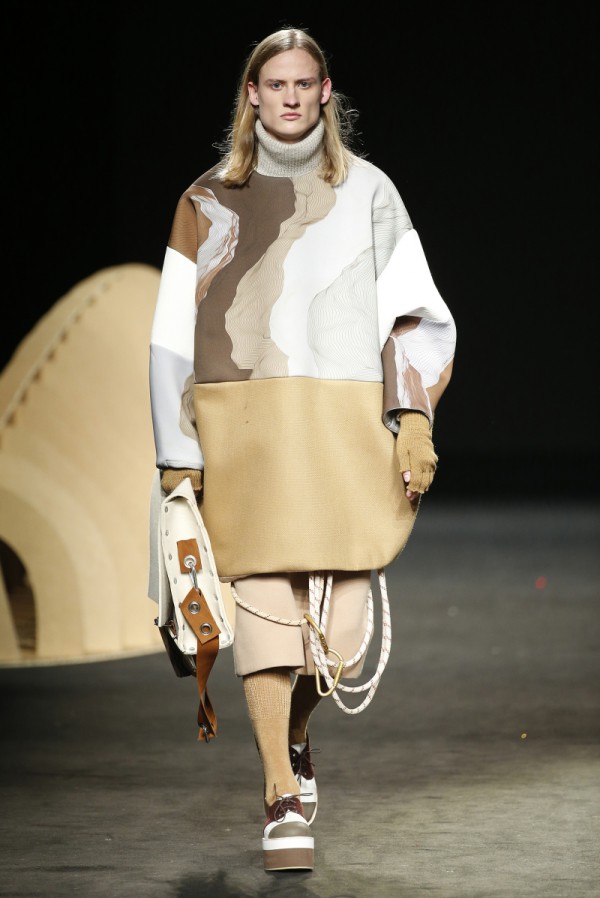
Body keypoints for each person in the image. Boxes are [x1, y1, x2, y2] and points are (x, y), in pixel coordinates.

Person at [149, 26, 456, 873]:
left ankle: (293, 731)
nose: (289, 96)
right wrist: (178, 449)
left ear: (325, 92)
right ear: (252, 94)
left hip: (343, 431)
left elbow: (412, 311)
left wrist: (413, 417)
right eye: (274, 83)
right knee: (264, 609)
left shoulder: (371, 194)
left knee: (340, 639)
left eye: (303, 82)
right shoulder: (206, 201)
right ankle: (281, 793)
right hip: (242, 435)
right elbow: (171, 337)